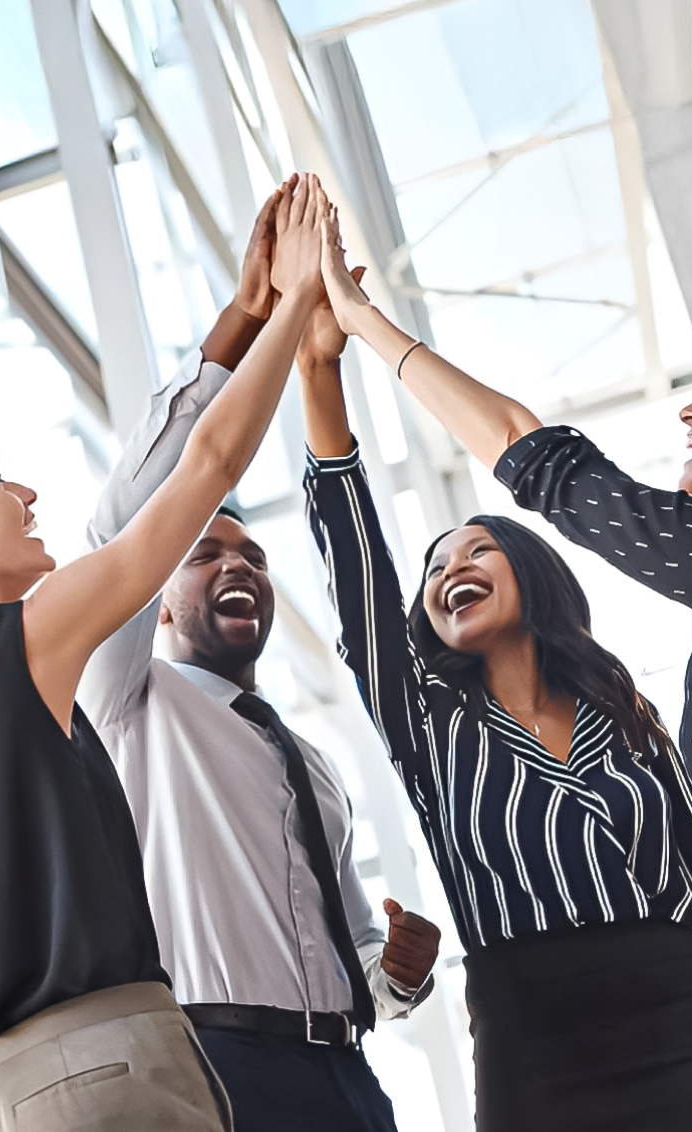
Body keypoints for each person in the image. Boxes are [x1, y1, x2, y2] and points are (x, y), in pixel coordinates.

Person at [0, 174, 330, 1132]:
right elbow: (207, 471)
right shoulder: (25, 638)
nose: (26, 495)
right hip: (110, 1064)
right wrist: (298, 301)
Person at [317, 205, 692, 1126]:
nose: (451, 571)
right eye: (436, 565)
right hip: (536, 1048)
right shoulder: (434, 728)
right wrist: (321, 363)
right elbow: (359, 572)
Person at [79, 200, 441, 1132]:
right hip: (214, 1068)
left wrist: (395, 972)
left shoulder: (306, 761)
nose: (238, 563)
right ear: (158, 596)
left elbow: (352, 945)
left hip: (348, 1079)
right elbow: (127, 522)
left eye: (255, 558)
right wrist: (244, 323)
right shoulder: (125, 702)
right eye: (204, 553)